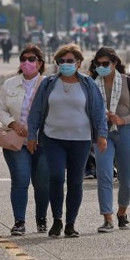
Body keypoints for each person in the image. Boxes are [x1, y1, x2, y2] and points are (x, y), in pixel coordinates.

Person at [26, 43, 107, 238]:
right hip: (53, 138)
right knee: (55, 177)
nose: (65, 64)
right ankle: (57, 220)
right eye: (61, 61)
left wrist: (102, 135)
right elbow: (36, 110)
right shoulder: (48, 84)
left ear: (78, 63)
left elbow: (98, 112)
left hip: (81, 140)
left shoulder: (88, 84)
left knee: (75, 181)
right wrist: (31, 135)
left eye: (69, 61)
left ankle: (70, 223)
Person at [0, 44, 49, 236]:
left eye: (32, 59)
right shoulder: (10, 84)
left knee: (42, 183)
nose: (27, 62)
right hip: (16, 142)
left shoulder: (48, 84)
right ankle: (19, 221)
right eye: (23, 59)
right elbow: (0, 109)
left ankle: (41, 218)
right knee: (20, 181)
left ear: (40, 63)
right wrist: (13, 124)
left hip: (42, 142)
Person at [89, 46, 130, 232]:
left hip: (126, 132)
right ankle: (108, 218)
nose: (101, 67)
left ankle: (122, 212)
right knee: (104, 175)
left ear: (114, 63)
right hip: (102, 133)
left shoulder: (129, 83)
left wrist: (122, 119)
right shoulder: (92, 84)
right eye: (98, 64)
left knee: (127, 179)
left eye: (105, 63)